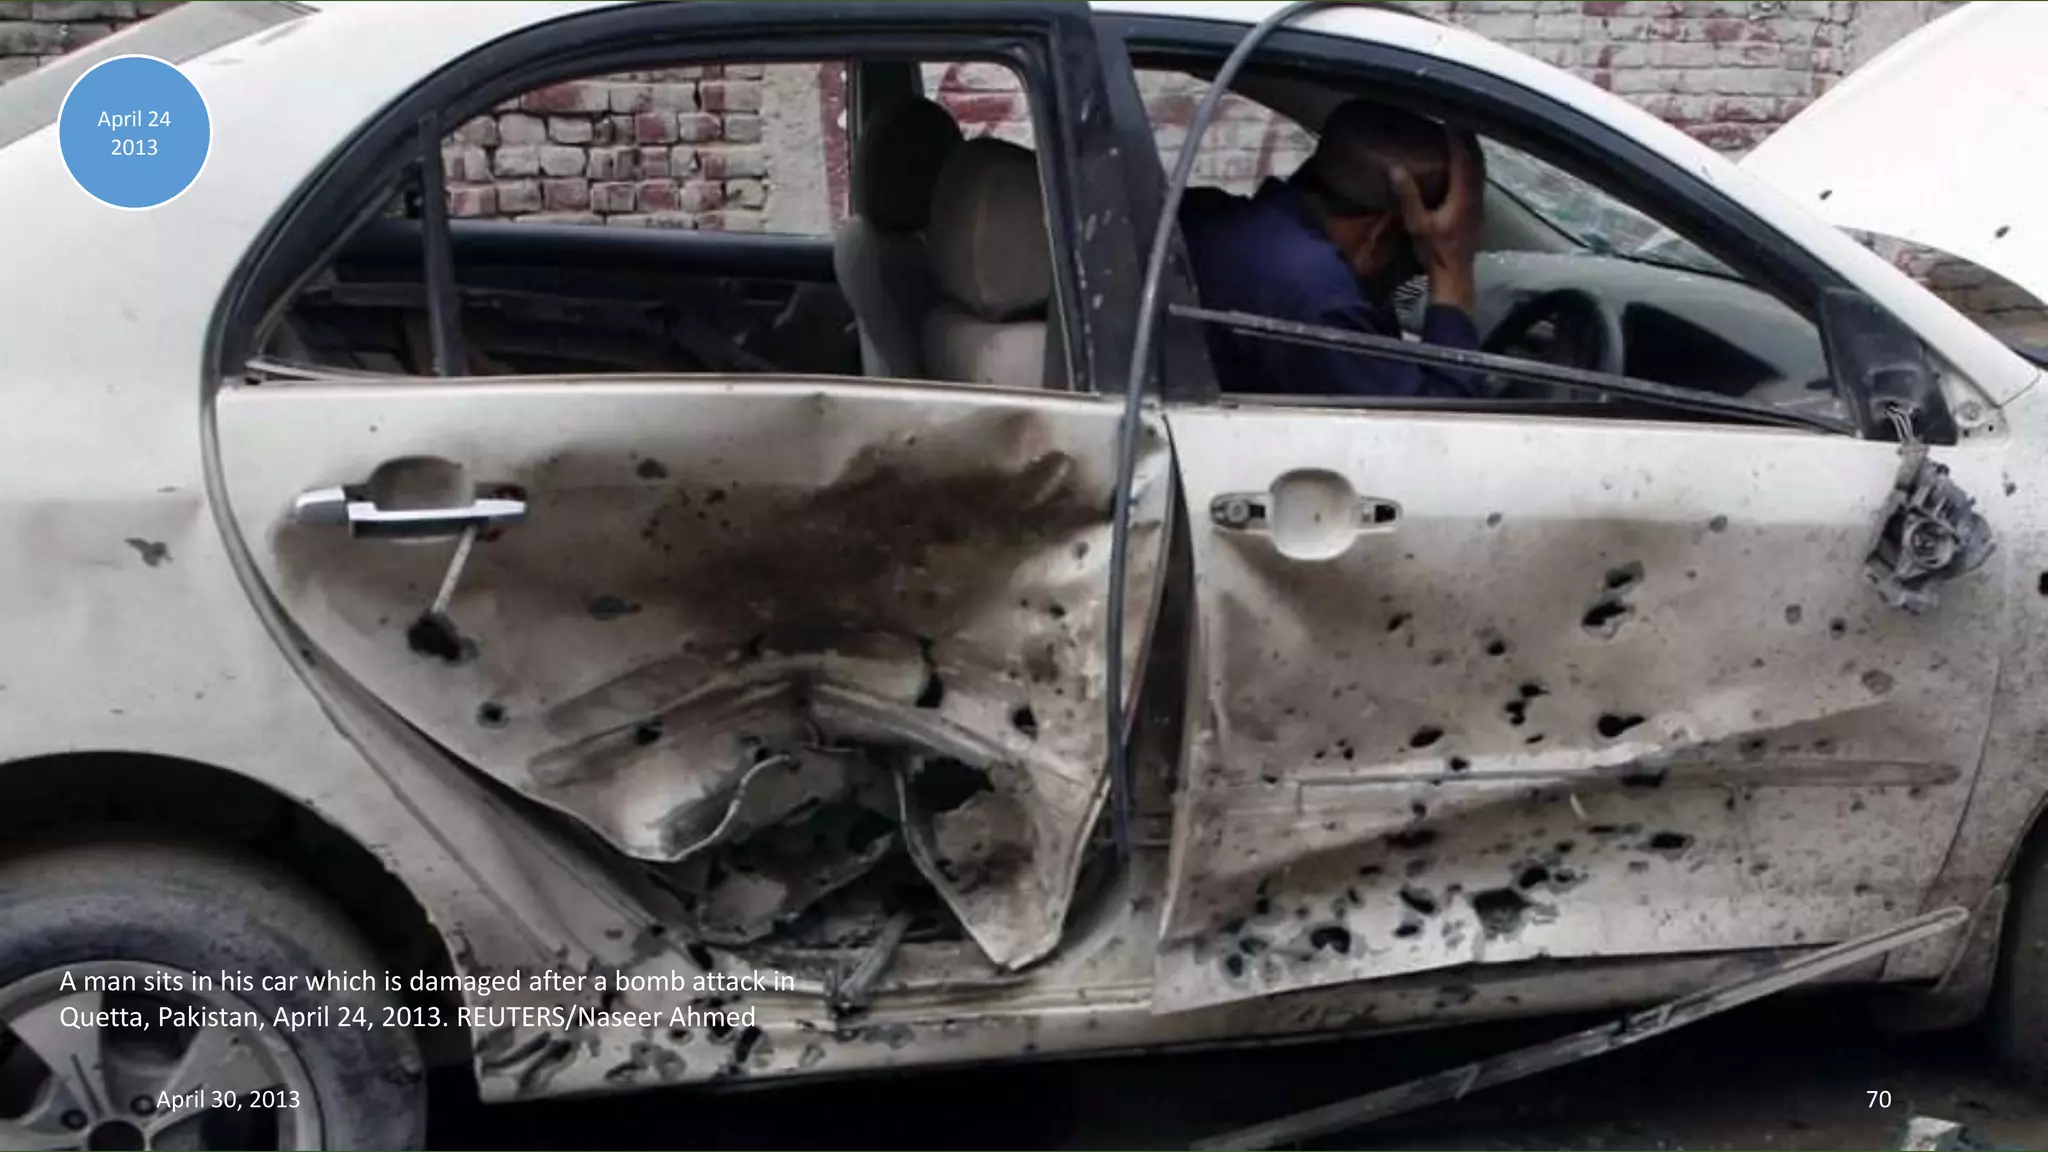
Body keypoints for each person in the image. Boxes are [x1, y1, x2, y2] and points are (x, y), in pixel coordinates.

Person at [1178, 99, 1487, 398]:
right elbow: (1441, 438)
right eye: (1415, 265)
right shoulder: (1319, 297)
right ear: (1378, 236)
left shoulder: (1206, 214)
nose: (1408, 280)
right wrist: (1453, 275)